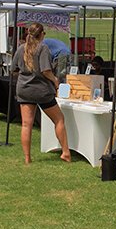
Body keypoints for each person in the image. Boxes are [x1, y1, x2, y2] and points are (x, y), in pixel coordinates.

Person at [15, 23, 68, 164]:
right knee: (59, 120)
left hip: (24, 90)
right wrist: (55, 80)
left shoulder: (21, 49)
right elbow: (46, 70)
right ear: (42, 34)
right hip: (41, 91)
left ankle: (27, 158)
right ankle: (66, 152)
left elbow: (14, 68)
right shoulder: (43, 48)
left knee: (26, 125)